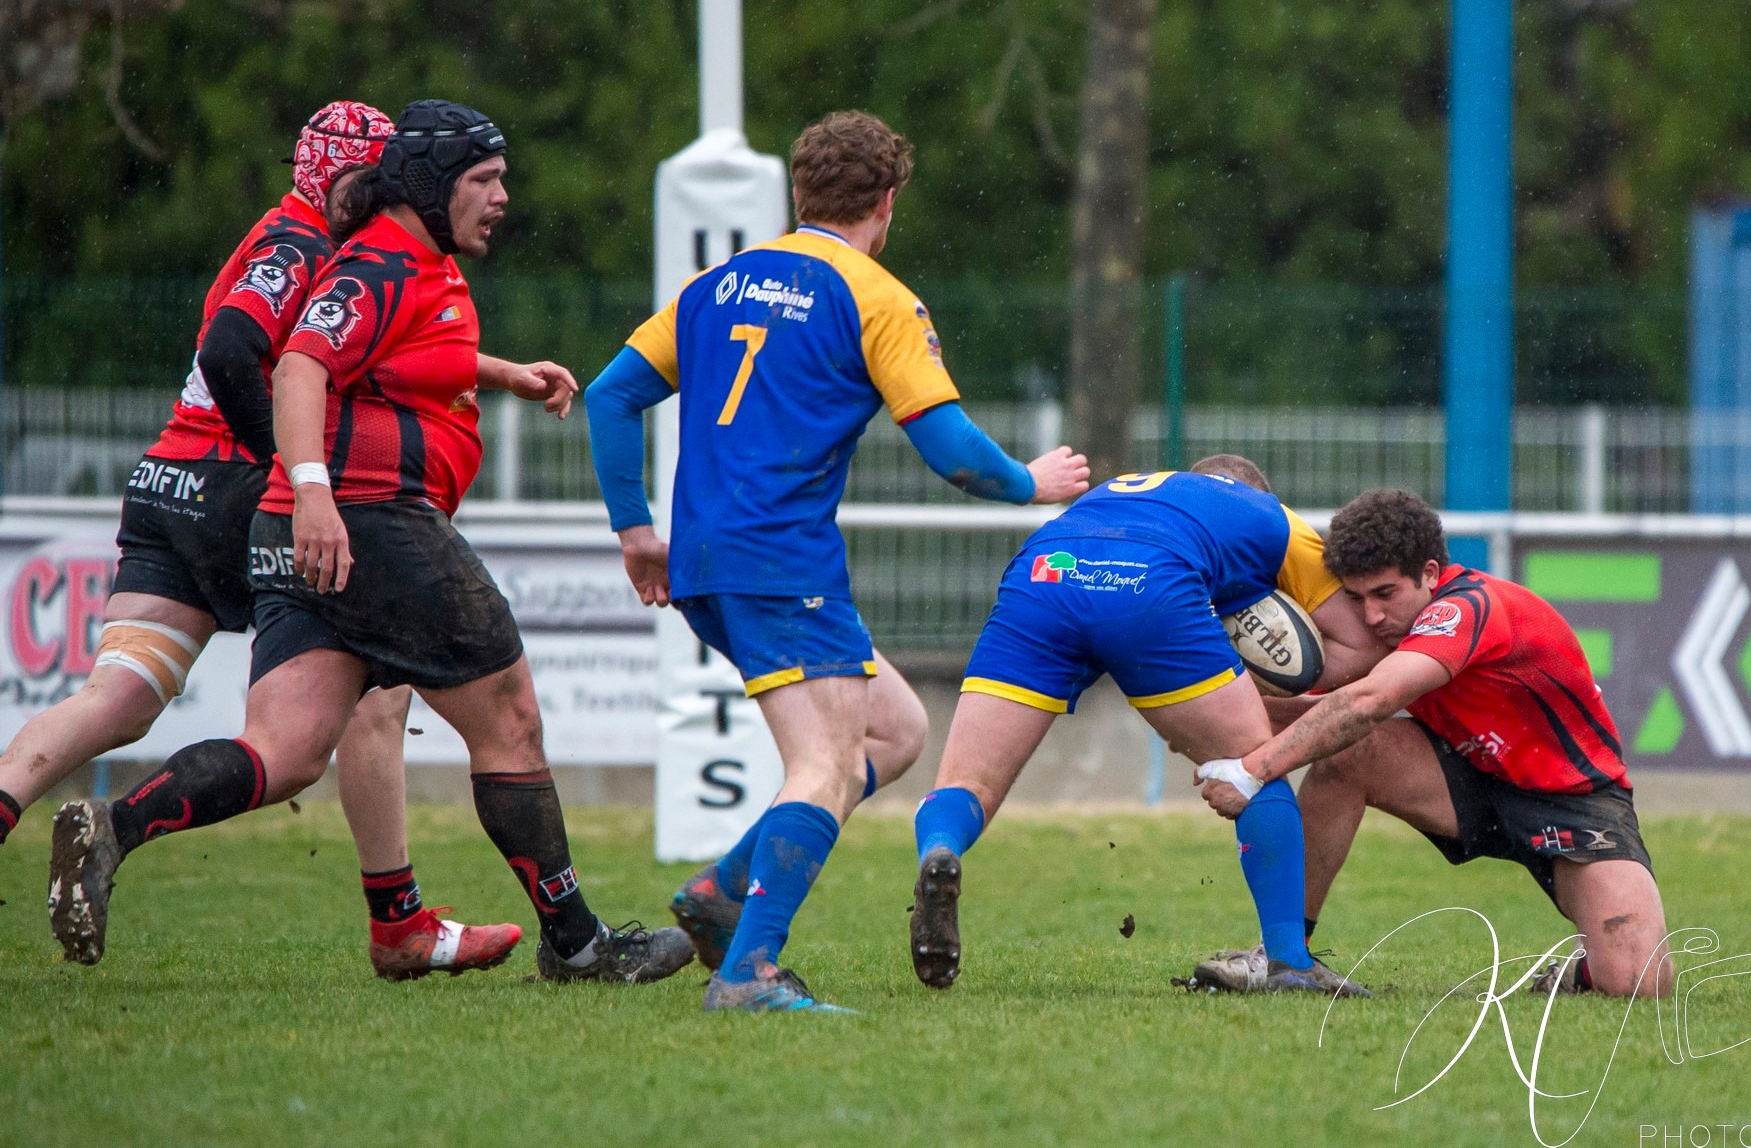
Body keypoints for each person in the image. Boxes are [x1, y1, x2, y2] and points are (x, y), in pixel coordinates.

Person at [48, 99, 694, 986]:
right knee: (509, 719)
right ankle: (578, 943)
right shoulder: (381, 265)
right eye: (483, 179)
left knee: (284, 753)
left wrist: (502, 372)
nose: (502, 196)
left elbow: (399, 357)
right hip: (370, 522)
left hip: (306, 526)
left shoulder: (411, 260)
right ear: (428, 187)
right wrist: (315, 493)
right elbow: (305, 364)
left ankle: (111, 830)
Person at [0, 102, 518, 979]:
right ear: (349, 176)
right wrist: (298, 468)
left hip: (168, 483)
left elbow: (371, 354)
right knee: (370, 699)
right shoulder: (307, 245)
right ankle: (398, 920)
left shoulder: (288, 228)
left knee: (119, 699)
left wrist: (499, 370)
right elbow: (239, 345)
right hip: (237, 492)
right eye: (379, 174)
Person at [585, 110, 1088, 1012]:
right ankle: (749, 971)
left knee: (894, 731)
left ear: (797, 193)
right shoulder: (875, 295)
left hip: (703, 562)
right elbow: (952, 450)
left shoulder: (715, 285)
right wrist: (1030, 482)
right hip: (782, 561)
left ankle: (720, 890)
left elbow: (612, 396)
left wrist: (635, 529)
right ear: (888, 203)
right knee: (820, 767)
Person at [909, 456, 1382, 996]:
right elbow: (1358, 644)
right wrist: (1265, 675)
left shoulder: (1128, 491)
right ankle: (1290, 965)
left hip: (1045, 570)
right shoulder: (1272, 516)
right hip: (1151, 582)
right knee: (1254, 767)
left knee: (968, 782)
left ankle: (940, 851)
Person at [1190, 488, 1673, 998]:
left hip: (1575, 801)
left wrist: (1253, 768)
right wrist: (1209, 717)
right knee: (1348, 753)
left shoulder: (1468, 607)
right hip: (1466, 775)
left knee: (1640, 983)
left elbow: (1366, 702)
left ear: (1428, 573)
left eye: (1384, 593)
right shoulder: (1392, 627)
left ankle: (1582, 969)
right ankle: (1283, 955)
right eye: (1355, 598)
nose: (1371, 615)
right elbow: (1329, 716)